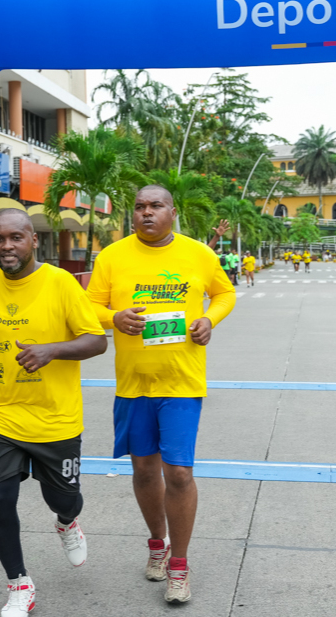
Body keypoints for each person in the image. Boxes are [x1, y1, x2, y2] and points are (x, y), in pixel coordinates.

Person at [0, 210, 107, 617]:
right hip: (0, 414)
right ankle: (19, 583)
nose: (7, 247)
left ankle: (67, 521)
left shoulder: (61, 284)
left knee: (64, 497)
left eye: (16, 238)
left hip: (55, 417)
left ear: (33, 240)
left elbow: (96, 341)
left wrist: (51, 350)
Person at [86, 185, 236, 605]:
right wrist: (114, 317)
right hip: (133, 385)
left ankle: (180, 566)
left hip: (182, 382)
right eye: (139, 207)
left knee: (180, 474)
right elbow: (88, 306)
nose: (146, 213)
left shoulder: (198, 254)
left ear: (172, 212)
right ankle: (157, 544)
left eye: (155, 207)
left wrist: (209, 319)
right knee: (146, 473)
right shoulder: (113, 257)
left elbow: (224, 292)